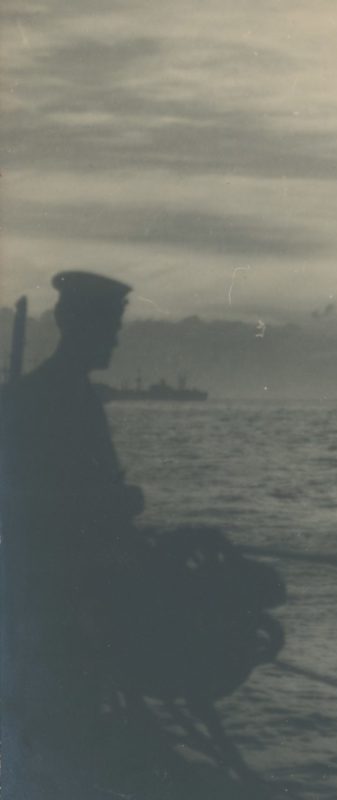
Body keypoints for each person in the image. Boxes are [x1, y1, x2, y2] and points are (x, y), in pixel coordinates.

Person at [1, 271, 146, 798]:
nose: (114, 337)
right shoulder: (53, 399)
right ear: (77, 325)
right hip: (63, 600)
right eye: (109, 325)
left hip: (63, 596)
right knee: (63, 730)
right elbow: (33, 505)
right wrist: (121, 503)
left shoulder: (50, 394)